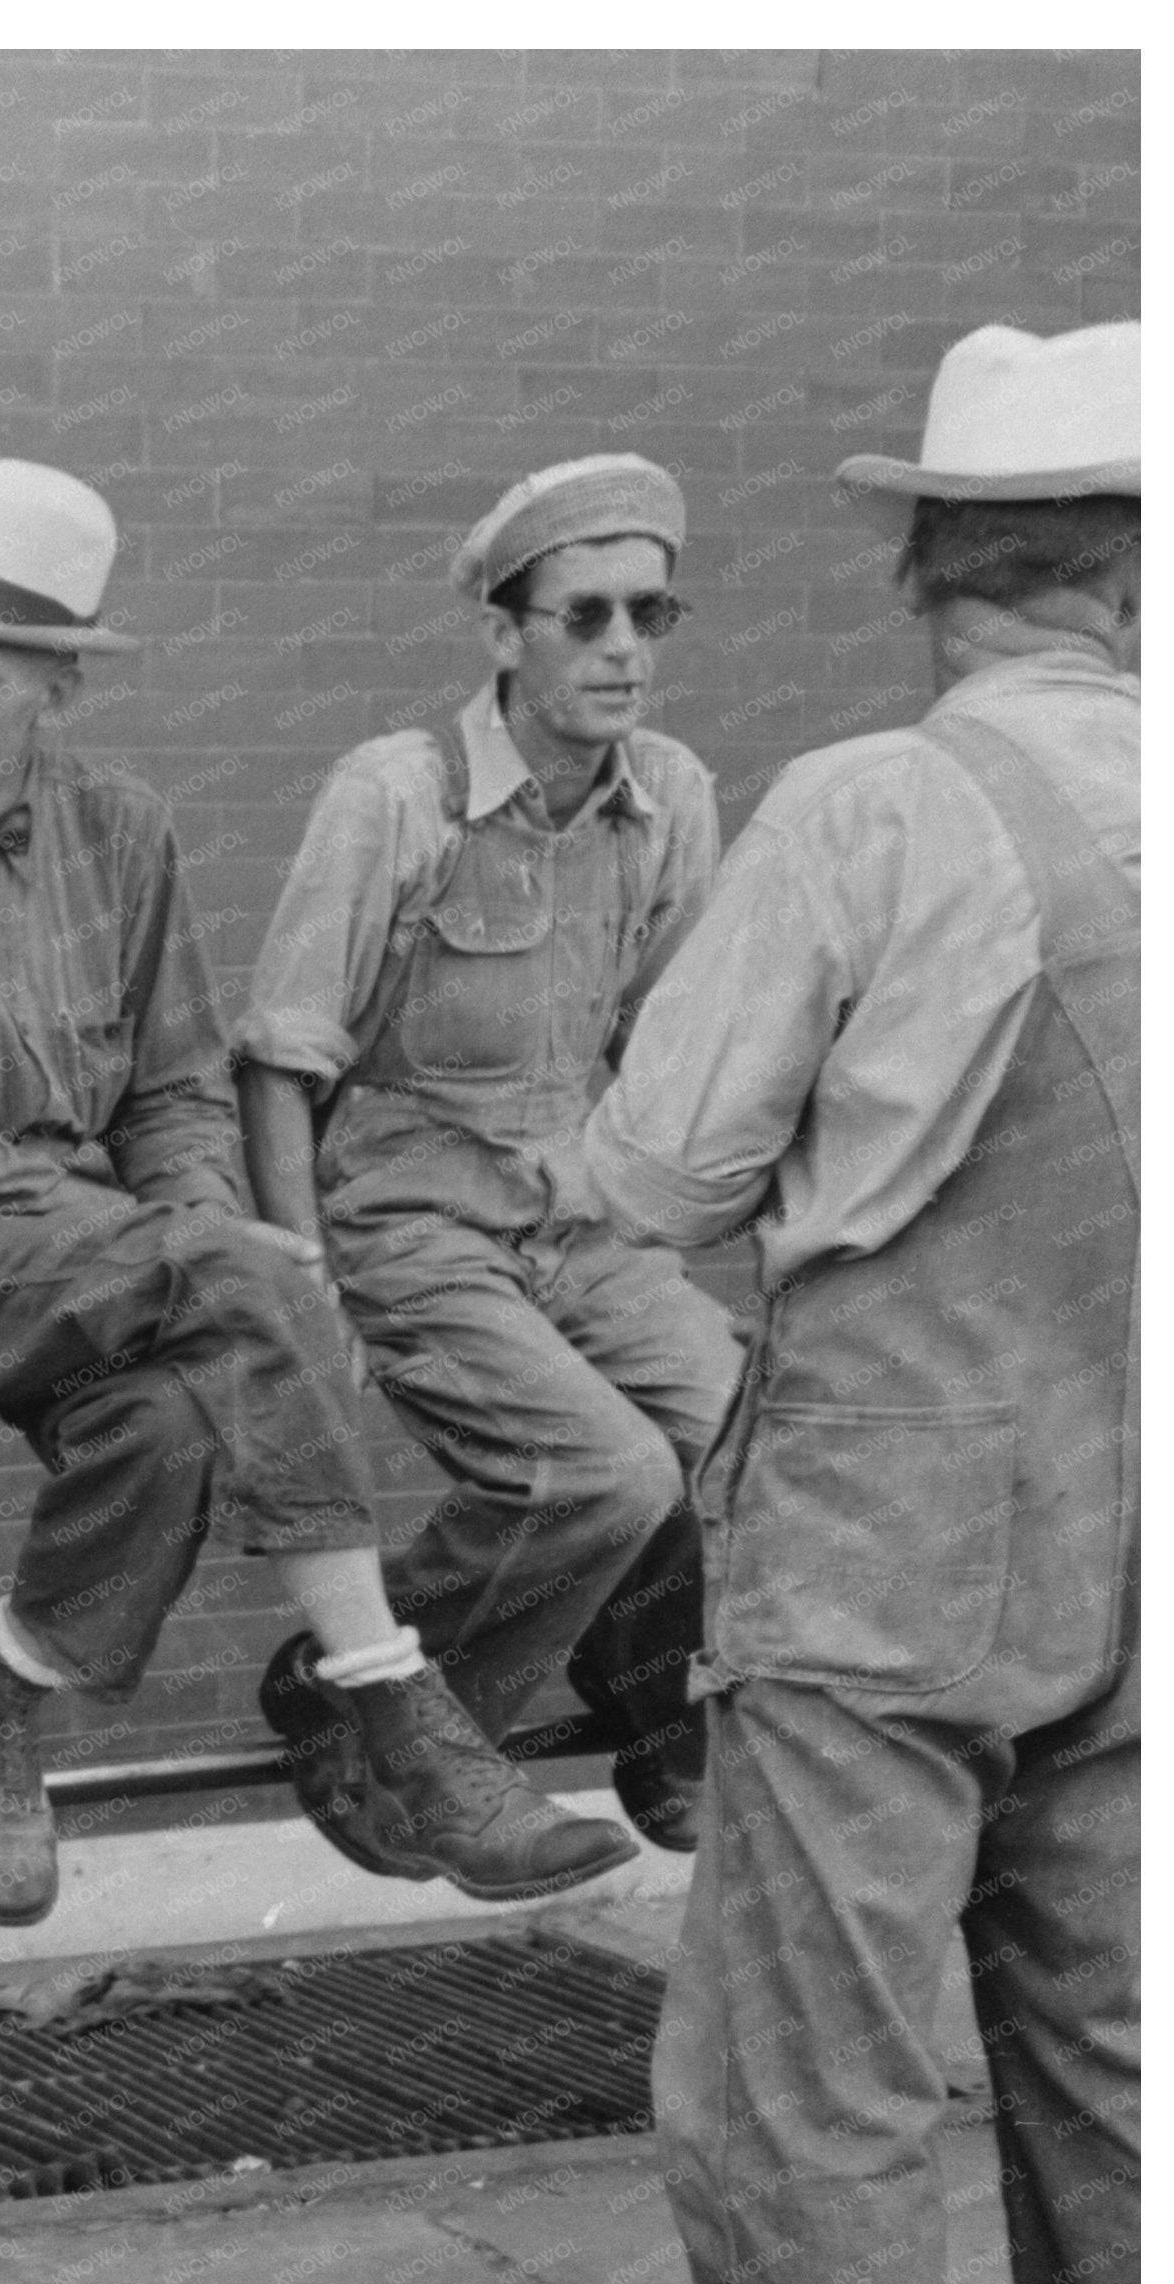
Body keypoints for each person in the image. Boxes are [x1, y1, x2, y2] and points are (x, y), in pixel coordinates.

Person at [0, 459, 635, 1930]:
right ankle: (395, 1710)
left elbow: (168, 1096)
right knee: (239, 1279)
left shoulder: (122, 829)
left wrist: (199, 1226)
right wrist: (199, 1248)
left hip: (95, 1258)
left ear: (53, 692)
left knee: (166, 1415)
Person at [586, 320, 1138, 2284]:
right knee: (1119, 2098)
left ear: (931, 566)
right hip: (1139, 1520)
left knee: (801, 2106)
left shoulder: (874, 801)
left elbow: (660, 1173)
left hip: (890, 1528)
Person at [233, 456, 739, 1856]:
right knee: (604, 1472)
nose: (623, 649)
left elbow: (668, 1050)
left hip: (582, 1224)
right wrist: (298, 1278)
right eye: (583, 616)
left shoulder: (673, 797)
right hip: (414, 1223)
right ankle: (375, 1718)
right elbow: (280, 1055)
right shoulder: (397, 795)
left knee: (746, 1430)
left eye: (648, 613)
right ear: (501, 633)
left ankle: (641, 1693)